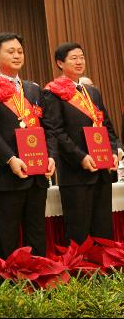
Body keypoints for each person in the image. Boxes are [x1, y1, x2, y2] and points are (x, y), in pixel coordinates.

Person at [0, 32, 56, 259]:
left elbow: (49, 127)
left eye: (20, 51)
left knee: (37, 233)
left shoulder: (33, 89)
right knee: (7, 235)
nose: (17, 55)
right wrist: (10, 158)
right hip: (7, 174)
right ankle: (9, 278)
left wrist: (51, 156)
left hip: (37, 173)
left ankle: (39, 274)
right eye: (11, 52)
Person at [42, 42, 119, 245]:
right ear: (60, 63)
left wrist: (115, 150)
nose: (79, 61)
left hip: (102, 171)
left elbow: (107, 127)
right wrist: (81, 157)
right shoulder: (52, 92)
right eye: (74, 58)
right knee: (79, 233)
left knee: (103, 231)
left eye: (82, 57)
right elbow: (56, 132)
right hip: (76, 174)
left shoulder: (92, 93)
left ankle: (103, 265)